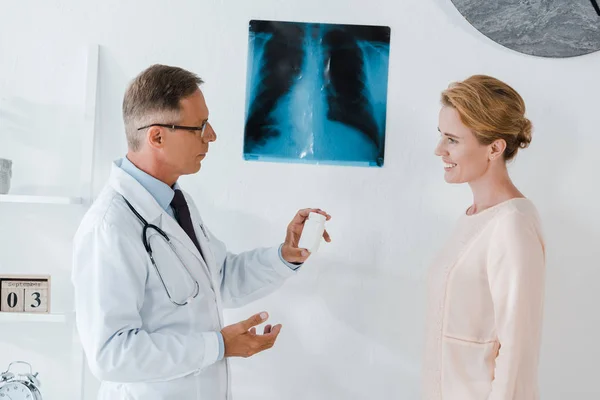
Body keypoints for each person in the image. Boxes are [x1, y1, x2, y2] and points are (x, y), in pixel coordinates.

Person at [71, 64, 331, 400]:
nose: (211, 136)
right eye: (200, 127)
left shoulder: (176, 203)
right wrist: (218, 346)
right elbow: (111, 353)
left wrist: (285, 255)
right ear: (157, 136)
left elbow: (218, 279)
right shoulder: (109, 227)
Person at [422, 75, 546, 399]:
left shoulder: (513, 225)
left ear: (494, 148)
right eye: (441, 136)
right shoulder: (474, 217)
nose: (439, 150)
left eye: (452, 140)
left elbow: (517, 351)